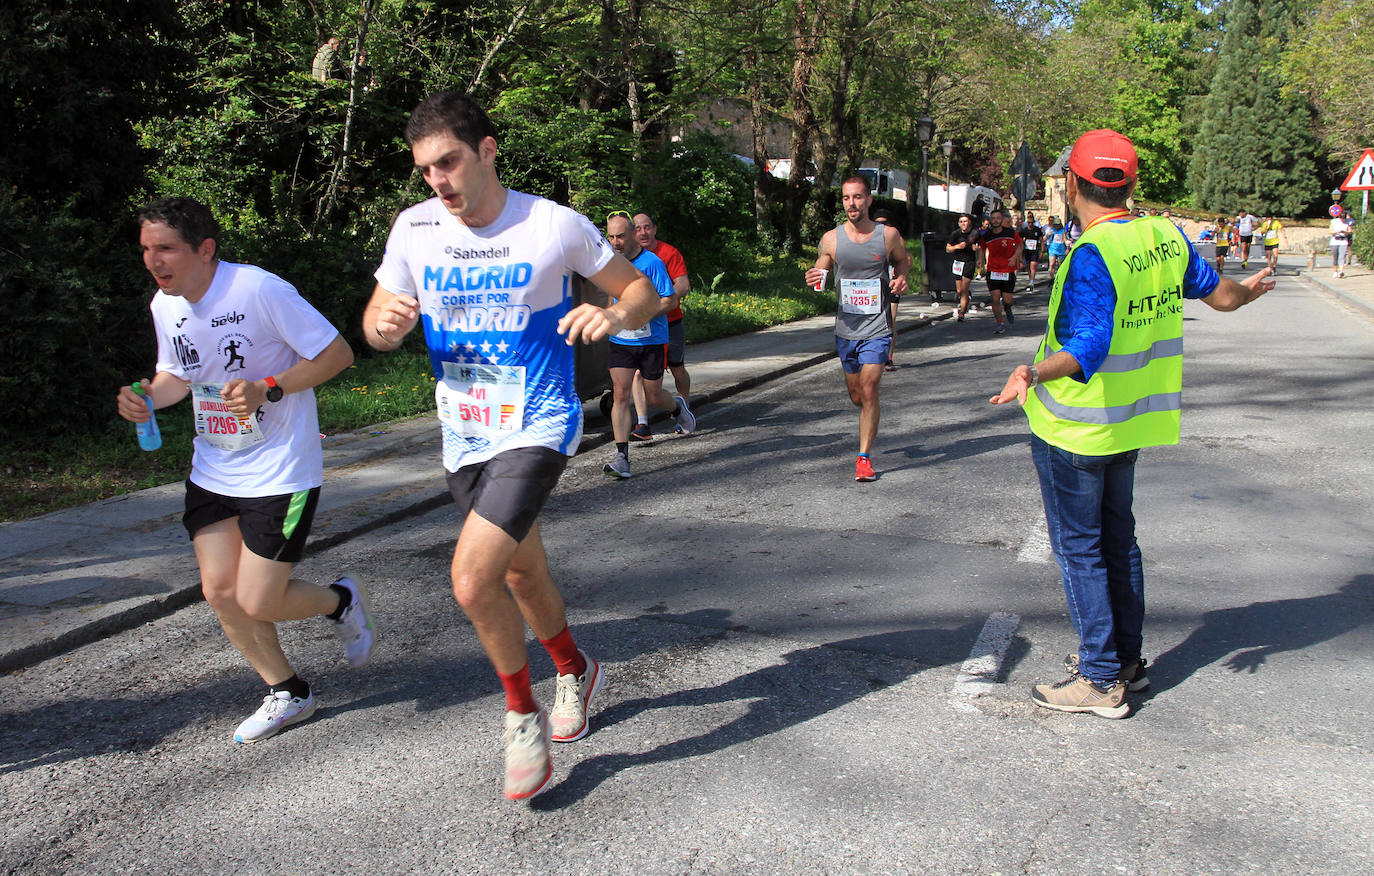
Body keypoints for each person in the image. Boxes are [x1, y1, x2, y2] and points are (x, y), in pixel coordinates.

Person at [362, 92, 667, 801]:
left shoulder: (551, 225)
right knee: (522, 574)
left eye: (450, 163)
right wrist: (387, 325)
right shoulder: (414, 230)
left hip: (537, 420)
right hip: (463, 430)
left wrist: (612, 310)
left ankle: (520, 714)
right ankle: (573, 666)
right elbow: (377, 318)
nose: (439, 181)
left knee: (473, 580)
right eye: (426, 170)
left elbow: (641, 295)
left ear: (488, 150)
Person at [990, 129, 1274, 718]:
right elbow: (1221, 297)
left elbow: (1088, 346)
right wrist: (1246, 292)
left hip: (1077, 429)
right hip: (1132, 426)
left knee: (1081, 549)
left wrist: (1032, 371)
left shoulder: (1092, 255)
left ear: (1071, 186)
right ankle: (1128, 664)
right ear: (1130, 183)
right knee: (1120, 541)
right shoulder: (1164, 236)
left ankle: (1098, 678)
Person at [117, 197, 368, 744]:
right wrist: (145, 398)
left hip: (280, 471)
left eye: (166, 249)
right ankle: (288, 690)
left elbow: (337, 354)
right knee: (219, 592)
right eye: (146, 250)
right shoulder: (166, 305)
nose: (154, 261)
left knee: (258, 599)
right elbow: (175, 377)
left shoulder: (258, 289)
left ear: (205, 250)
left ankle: (339, 601)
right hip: (213, 465)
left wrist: (267, 387)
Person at [804, 175, 910, 481]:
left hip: (877, 326)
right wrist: (814, 278)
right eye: (847, 198)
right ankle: (869, 411)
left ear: (869, 199)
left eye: (858, 197)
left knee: (868, 387)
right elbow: (820, 271)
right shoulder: (832, 238)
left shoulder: (887, 235)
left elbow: (904, 261)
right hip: (846, 329)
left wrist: (902, 277)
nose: (853, 203)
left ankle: (863, 457)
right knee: (856, 396)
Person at [603, 212, 695, 475]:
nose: (615, 242)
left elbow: (670, 300)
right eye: (611, 237)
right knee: (620, 394)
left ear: (633, 235)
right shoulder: (610, 263)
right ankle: (622, 457)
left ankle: (677, 407)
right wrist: (610, 317)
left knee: (653, 395)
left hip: (651, 339)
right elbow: (613, 298)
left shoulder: (651, 263)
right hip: (621, 340)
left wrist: (641, 314)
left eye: (620, 236)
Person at [629, 212, 693, 438]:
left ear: (654, 229)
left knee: (677, 368)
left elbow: (683, 285)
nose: (643, 233)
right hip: (642, 325)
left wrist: (659, 303)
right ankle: (643, 423)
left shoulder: (669, 253)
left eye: (647, 227)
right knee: (638, 373)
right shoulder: (627, 257)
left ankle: (683, 408)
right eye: (637, 228)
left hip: (670, 321)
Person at [978, 208, 1022, 334]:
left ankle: (1007, 308)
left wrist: (1015, 257)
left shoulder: (1011, 233)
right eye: (993, 218)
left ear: (1001, 219)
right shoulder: (987, 235)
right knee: (995, 298)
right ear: (990, 220)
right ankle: (1000, 323)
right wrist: (980, 260)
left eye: (998, 218)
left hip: (1007, 270)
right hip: (993, 270)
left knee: (1008, 300)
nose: (995, 220)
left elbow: (1020, 245)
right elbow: (982, 248)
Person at [871, 209, 904, 370]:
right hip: (874, 288)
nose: (881, 227)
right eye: (878, 223)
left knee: (890, 321)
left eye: (884, 223)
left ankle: (888, 358)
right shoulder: (868, 240)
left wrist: (900, 278)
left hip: (891, 286)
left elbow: (906, 261)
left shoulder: (896, 239)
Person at [946, 213, 980, 321]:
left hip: (969, 262)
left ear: (969, 222)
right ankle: (966, 296)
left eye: (965, 221)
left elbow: (980, 247)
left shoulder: (975, 233)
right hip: (958, 263)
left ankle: (962, 313)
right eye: (961, 222)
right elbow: (948, 249)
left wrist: (977, 251)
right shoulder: (955, 234)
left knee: (964, 288)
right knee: (959, 290)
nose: (963, 223)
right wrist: (957, 246)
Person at [1020, 211, 1044, 288]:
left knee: (1033, 266)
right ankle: (1030, 278)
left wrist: (1042, 251)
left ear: (1034, 222)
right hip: (1027, 250)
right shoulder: (1024, 230)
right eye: (1029, 222)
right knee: (1028, 266)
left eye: (1032, 222)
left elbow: (1041, 240)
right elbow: (1020, 241)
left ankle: (1032, 281)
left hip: (1035, 250)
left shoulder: (1037, 230)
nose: (1030, 224)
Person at [1330, 209, 1353, 278]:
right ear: (1339, 217)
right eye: (1341, 218)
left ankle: (1341, 271)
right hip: (1335, 240)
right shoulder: (1334, 222)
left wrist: (1345, 232)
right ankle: (1335, 271)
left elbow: (1350, 231)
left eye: (1344, 218)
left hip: (1343, 241)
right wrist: (1337, 231)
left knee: (1342, 257)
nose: (1343, 220)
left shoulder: (1347, 222)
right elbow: (1330, 232)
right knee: (1335, 257)